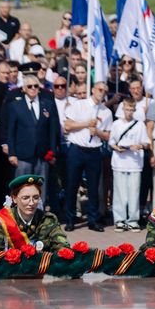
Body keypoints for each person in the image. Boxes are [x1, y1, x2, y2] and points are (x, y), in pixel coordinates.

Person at [62, 80, 111, 231]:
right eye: (99, 89)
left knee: (93, 188)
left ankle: (93, 219)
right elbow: (68, 126)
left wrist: (97, 132)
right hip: (76, 150)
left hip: (94, 151)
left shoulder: (106, 112)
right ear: (93, 90)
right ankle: (70, 219)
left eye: (104, 91)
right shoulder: (79, 104)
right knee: (72, 185)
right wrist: (86, 124)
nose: (101, 92)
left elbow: (107, 136)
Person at [0, 175, 68, 253]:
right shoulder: (1, 221)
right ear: (14, 198)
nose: (31, 203)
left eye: (35, 198)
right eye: (25, 198)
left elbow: (62, 246)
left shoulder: (48, 220)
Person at [4, 73, 59, 181]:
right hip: (22, 155)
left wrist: (52, 152)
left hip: (43, 155)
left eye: (36, 86)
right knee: (22, 187)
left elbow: (53, 131)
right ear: (24, 89)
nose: (33, 88)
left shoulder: (48, 104)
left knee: (40, 188)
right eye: (30, 86)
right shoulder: (15, 106)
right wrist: (12, 154)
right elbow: (11, 132)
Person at [108, 97, 148, 231]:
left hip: (135, 163)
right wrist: (117, 147)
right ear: (123, 109)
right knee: (119, 192)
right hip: (119, 161)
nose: (129, 112)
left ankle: (133, 220)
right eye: (127, 109)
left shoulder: (140, 124)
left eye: (131, 110)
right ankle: (119, 219)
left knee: (133, 193)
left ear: (134, 110)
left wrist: (139, 145)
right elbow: (111, 141)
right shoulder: (116, 124)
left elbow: (146, 143)